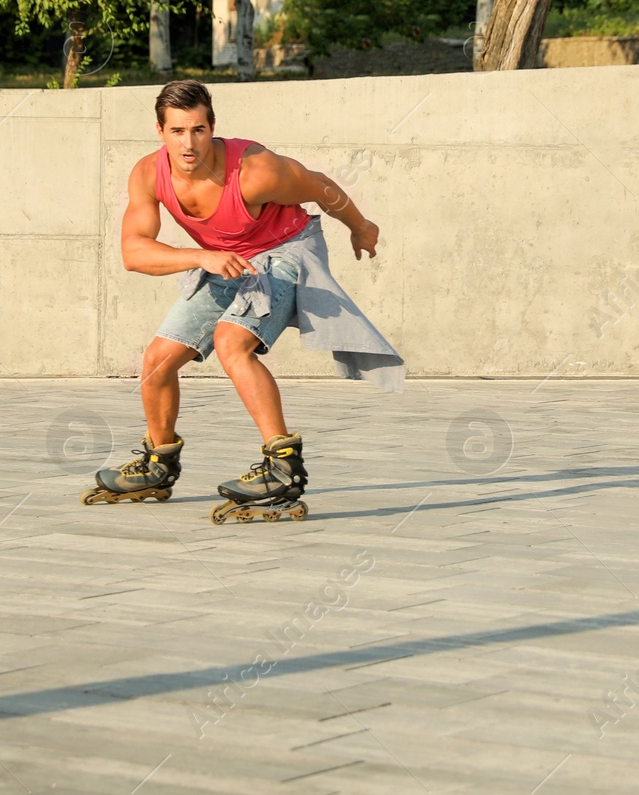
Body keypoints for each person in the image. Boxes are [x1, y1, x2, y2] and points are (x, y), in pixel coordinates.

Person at [81, 79, 405, 523]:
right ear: (160, 132)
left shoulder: (255, 171)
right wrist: (202, 257)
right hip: (224, 259)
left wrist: (359, 224)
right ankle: (159, 463)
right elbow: (133, 252)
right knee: (157, 360)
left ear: (212, 128)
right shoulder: (148, 174)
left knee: (232, 342)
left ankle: (283, 466)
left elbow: (318, 186)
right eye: (177, 131)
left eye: (197, 130)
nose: (188, 143)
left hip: (286, 248)